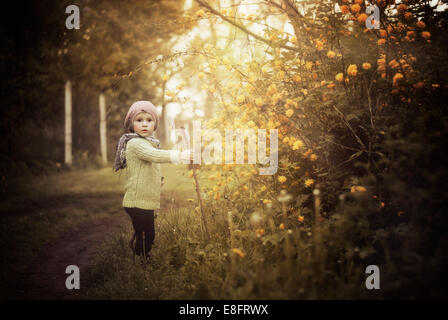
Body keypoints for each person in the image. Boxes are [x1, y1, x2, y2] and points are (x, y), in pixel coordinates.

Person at [113, 100, 192, 262]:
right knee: (148, 235)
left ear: (155, 124)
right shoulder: (135, 143)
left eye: (149, 120)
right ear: (131, 123)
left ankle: (140, 257)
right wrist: (180, 155)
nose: (144, 124)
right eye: (139, 120)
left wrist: (158, 180)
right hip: (137, 201)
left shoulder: (148, 143)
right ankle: (142, 260)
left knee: (144, 233)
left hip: (143, 200)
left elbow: (151, 165)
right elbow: (155, 156)